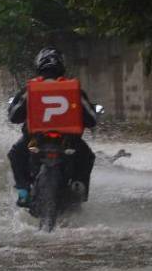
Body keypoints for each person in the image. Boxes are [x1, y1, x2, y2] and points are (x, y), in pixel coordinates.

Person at [7, 48, 98, 206]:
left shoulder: (30, 89)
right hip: (69, 140)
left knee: (15, 154)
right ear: (62, 67)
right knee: (87, 156)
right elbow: (91, 119)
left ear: (39, 66)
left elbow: (14, 116)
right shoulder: (74, 90)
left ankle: (23, 191)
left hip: (34, 139)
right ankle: (78, 186)